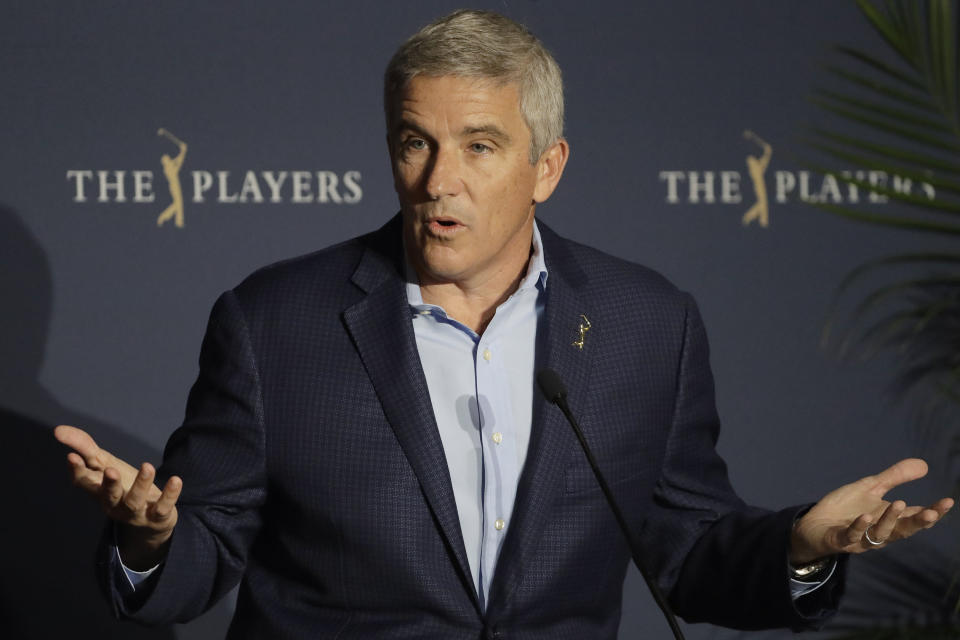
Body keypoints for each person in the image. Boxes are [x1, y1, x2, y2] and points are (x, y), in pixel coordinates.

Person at [55, 10, 953, 639]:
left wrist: (800, 546)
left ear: (546, 166)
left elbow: (689, 550)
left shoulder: (648, 325)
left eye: (479, 146)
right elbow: (198, 555)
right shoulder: (273, 323)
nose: (440, 179)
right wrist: (151, 540)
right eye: (416, 141)